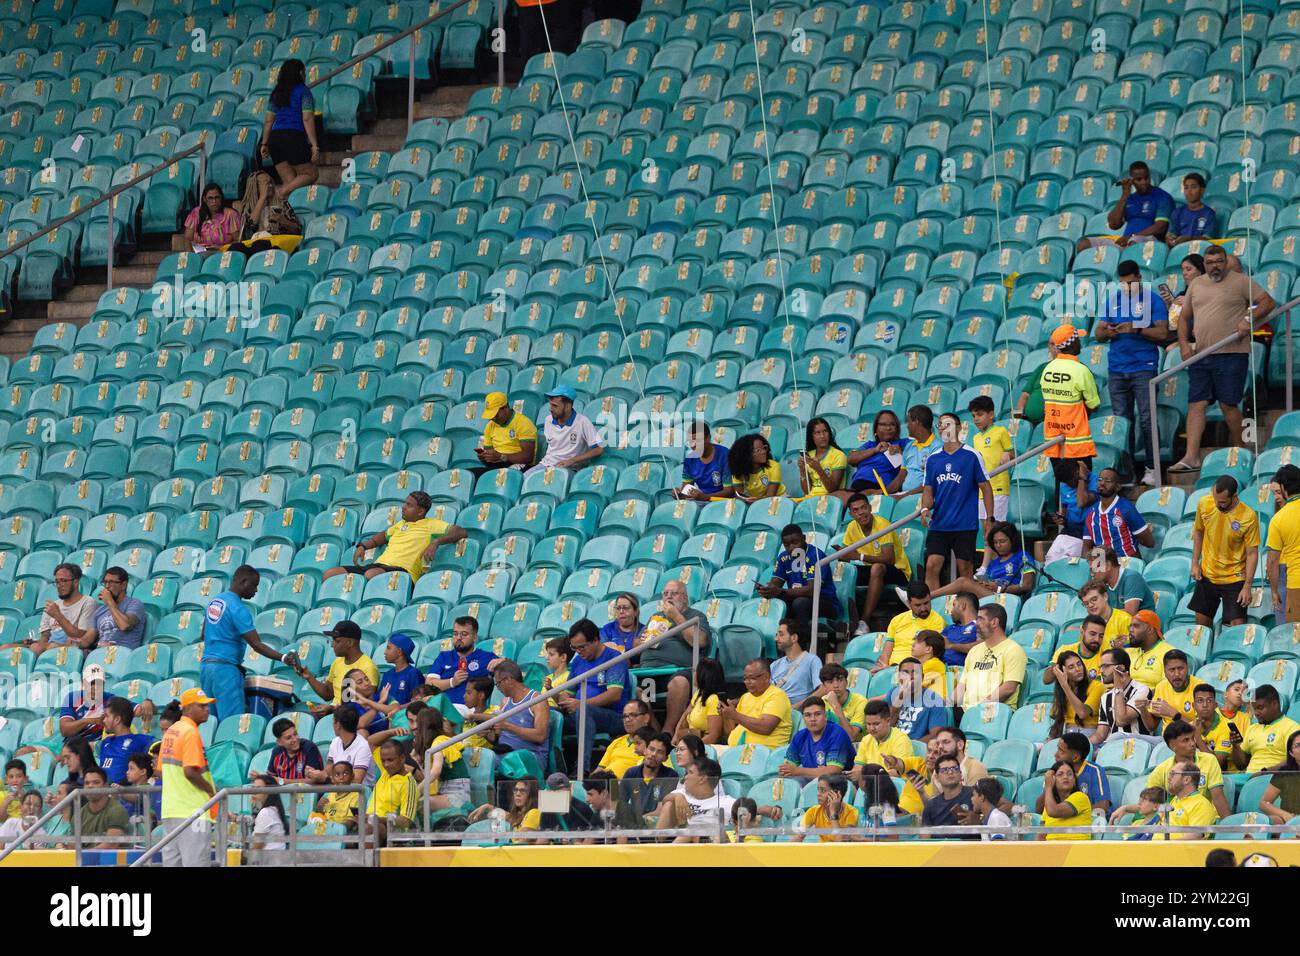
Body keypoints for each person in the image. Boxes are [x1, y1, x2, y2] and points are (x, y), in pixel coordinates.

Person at [1172, 243, 1275, 471]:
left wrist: (1248, 320)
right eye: (1209, 263)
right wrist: (1183, 346)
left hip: (1231, 352)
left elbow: (1268, 302)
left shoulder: (1240, 280)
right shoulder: (1197, 284)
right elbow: (1183, 317)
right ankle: (1191, 457)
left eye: (1218, 262)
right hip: (1201, 354)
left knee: (1228, 404)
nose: (1214, 266)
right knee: (1196, 404)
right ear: (1205, 264)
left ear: (1225, 261)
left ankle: (1242, 450)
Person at [1092, 260, 1169, 485]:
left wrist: (1136, 329)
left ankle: (1152, 468)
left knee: (1147, 419)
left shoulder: (1152, 300)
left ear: (1139, 278)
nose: (1127, 288)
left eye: (1131, 283)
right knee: (1122, 423)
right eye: (1123, 284)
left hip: (1143, 367)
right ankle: (1126, 473)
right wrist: (1109, 331)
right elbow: (1098, 333)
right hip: (1117, 368)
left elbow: (1163, 333)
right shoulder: (1113, 300)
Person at [200, 565, 299, 723]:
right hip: (226, 671)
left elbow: (203, 634)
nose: (256, 590)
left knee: (211, 723)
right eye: (255, 585)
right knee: (231, 723)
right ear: (244, 582)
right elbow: (257, 645)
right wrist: (283, 657)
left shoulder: (215, 602)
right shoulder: (238, 609)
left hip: (206, 668)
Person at [920, 412, 994, 593]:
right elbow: (928, 490)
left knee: (965, 569)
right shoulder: (933, 459)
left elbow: (985, 486)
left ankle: (969, 610)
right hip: (940, 524)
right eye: (941, 425)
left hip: (964, 523)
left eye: (948, 424)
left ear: (959, 428)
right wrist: (924, 508)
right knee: (932, 565)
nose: (944, 428)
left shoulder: (971, 455)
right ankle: (934, 612)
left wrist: (989, 517)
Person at [321, 491, 466, 583]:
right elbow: (382, 536)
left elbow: (460, 531)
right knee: (330, 574)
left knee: (371, 575)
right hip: (378, 566)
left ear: (421, 511)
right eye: (405, 503)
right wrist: (363, 546)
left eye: (409, 505)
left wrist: (436, 542)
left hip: (403, 571)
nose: (403, 507)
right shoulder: (400, 525)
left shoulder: (432, 525)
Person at [1040, 324, 1101, 509]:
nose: (1080, 341)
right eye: (1077, 338)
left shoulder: (1047, 369)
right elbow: (1094, 404)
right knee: (1083, 484)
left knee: (1063, 482)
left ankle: (1064, 523)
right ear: (1071, 344)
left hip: (1054, 439)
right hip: (1077, 440)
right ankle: (1083, 526)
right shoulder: (1081, 370)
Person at [638, 580, 712, 732]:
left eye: (674, 593)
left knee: (679, 682)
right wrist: (644, 640)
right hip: (648, 673)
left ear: (684, 598)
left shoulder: (696, 616)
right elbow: (636, 645)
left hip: (678, 671)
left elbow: (700, 641)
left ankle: (668, 731)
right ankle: (653, 730)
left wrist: (677, 617)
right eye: (665, 594)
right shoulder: (655, 616)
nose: (668, 597)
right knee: (633, 686)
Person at [559, 620, 629, 772]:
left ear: (596, 640)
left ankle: (582, 769)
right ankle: (553, 766)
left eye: (582, 647)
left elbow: (614, 694)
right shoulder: (578, 661)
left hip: (613, 716)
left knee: (585, 711)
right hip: (579, 713)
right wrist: (563, 700)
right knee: (550, 717)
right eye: (574, 648)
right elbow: (568, 691)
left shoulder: (614, 658)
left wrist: (581, 704)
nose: (578, 651)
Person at [1190, 476, 1260, 628]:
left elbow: (1252, 553)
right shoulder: (1204, 503)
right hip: (1207, 574)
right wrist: (1195, 563)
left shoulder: (1248, 516)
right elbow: (1198, 532)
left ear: (1234, 496)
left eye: (1221, 502)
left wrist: (1247, 586)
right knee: (1201, 629)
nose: (1217, 504)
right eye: (1215, 499)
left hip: (1234, 578)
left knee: (1237, 627)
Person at [159, 687, 217, 867]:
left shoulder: (171, 731)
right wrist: (211, 791)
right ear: (189, 708)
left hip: (170, 810)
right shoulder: (190, 732)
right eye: (202, 706)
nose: (207, 709)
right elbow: (190, 771)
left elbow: (160, 769)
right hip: (193, 811)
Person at [838, 492, 911, 631]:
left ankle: (864, 622)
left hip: (897, 571)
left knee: (877, 568)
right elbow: (847, 552)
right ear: (850, 514)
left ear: (870, 508)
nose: (861, 513)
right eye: (856, 510)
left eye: (863, 507)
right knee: (845, 571)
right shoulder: (852, 527)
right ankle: (845, 622)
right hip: (873, 569)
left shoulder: (882, 525)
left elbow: (889, 559)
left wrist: (859, 557)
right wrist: (842, 555)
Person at [756, 523, 840, 629]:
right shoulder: (783, 557)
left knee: (800, 603)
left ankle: (803, 639)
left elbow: (812, 591)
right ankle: (779, 636)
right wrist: (767, 590)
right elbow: (775, 585)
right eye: (787, 545)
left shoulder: (816, 556)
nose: (792, 548)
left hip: (826, 603)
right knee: (779, 602)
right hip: (798, 599)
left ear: (804, 538)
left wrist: (781, 591)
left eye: (795, 542)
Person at [1075, 160, 1173, 250]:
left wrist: (1132, 236)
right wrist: (1125, 195)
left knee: (1133, 242)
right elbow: (1114, 224)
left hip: (1148, 241)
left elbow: (1161, 227)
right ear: (1131, 180)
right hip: (1125, 240)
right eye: (1139, 179)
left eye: (1146, 178)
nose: (1144, 182)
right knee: (1084, 244)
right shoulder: (1130, 198)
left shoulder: (1162, 197)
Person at [1147, 720, 1231, 820]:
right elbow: (1149, 801)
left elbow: (1218, 797)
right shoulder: (1162, 770)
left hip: (1203, 818)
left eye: (1192, 738)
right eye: (1186, 740)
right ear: (1173, 746)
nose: (1192, 744)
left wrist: (1228, 826)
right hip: (1176, 820)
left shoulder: (1209, 760)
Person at [260, 57, 319, 199]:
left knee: (290, 182)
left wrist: (264, 143)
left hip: (275, 139)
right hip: (293, 136)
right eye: (304, 72)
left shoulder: (277, 93)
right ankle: (279, 193)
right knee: (311, 174)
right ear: (300, 73)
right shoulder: (304, 92)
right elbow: (307, 118)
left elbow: (268, 121)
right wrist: (315, 144)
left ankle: (288, 215)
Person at [930, 522, 1036, 599]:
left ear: (1012, 540)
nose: (998, 545)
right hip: (990, 595)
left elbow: (1027, 585)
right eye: (995, 542)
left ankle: (929, 596)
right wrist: (983, 584)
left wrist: (999, 588)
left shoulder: (1023, 556)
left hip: (1007, 598)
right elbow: (987, 582)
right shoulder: (993, 563)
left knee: (963, 582)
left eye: (1002, 541)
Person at [295, 620, 380, 714]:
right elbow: (327, 694)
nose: (332, 645)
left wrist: (333, 709)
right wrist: (309, 677)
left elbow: (366, 704)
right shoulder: (337, 663)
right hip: (337, 713)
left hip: (352, 717)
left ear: (350, 643)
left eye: (337, 641)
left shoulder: (368, 667)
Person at [955, 604, 1027, 709]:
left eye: (980, 619)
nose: (976, 624)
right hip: (968, 713)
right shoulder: (974, 651)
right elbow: (961, 688)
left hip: (995, 712)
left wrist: (979, 707)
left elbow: (1009, 688)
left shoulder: (1013, 650)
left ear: (994, 622)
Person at [422, 616, 500, 709]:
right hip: (442, 707)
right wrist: (452, 682)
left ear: (474, 637)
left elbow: (509, 670)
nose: (458, 638)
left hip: (468, 710)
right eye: (455, 634)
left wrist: (502, 661)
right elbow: (429, 683)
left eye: (464, 634)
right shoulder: (444, 657)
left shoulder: (486, 657)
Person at [653, 757, 734, 843]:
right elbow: (665, 801)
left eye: (690, 773)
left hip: (708, 845)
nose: (685, 777)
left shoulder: (728, 803)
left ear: (702, 779)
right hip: (679, 841)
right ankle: (656, 845)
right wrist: (677, 797)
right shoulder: (680, 794)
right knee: (669, 804)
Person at [529, 385, 605, 474]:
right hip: (546, 464)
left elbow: (599, 449)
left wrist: (573, 460)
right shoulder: (548, 420)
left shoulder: (582, 422)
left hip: (570, 468)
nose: (550, 409)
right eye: (550, 405)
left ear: (568, 406)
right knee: (524, 479)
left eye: (555, 406)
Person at [492, 660, 551, 773]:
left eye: (498, 683)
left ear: (509, 680)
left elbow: (540, 736)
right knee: (479, 759)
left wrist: (510, 727)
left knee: (507, 760)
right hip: (504, 753)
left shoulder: (537, 700)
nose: (498, 688)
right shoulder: (505, 702)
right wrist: (487, 734)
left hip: (529, 756)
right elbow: (500, 735)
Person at [873, 580, 945, 672]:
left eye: (926, 603)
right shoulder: (897, 620)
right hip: (891, 669)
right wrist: (884, 668)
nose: (923, 608)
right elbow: (886, 651)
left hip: (916, 672)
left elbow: (931, 655)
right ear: (909, 603)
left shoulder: (937, 621)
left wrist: (900, 670)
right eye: (918, 605)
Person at [1081, 469, 1154, 559]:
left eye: (1108, 481)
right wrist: (1090, 565)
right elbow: (1086, 546)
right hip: (1102, 564)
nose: (1102, 483)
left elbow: (1150, 542)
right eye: (1100, 479)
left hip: (1126, 562)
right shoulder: (1090, 513)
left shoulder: (1126, 509)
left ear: (1118, 487)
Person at [779, 697, 854, 782]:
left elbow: (833, 771)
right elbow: (787, 768)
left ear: (825, 716)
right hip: (811, 783)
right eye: (808, 715)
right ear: (803, 718)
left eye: (817, 714)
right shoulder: (800, 736)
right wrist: (786, 769)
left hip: (840, 784)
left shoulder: (837, 734)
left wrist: (798, 771)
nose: (813, 719)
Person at [722, 658, 792, 748]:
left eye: (752, 678)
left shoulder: (777, 695)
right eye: (745, 679)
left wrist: (735, 715)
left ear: (766, 677)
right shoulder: (745, 697)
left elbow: (766, 728)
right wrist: (727, 716)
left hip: (765, 753)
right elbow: (730, 731)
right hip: (738, 751)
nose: (747, 682)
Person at [1035, 732, 1112, 814]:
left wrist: (1073, 814)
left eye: (1061, 751)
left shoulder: (1095, 771)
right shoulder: (1055, 772)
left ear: (1075, 758)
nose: (1056, 754)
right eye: (1058, 749)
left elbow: (1103, 806)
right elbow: (1039, 810)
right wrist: (1048, 787)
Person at [29, 563, 97, 654]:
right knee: (8, 647)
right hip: (50, 647)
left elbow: (81, 636)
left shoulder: (87, 602)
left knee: (50, 647)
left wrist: (58, 615)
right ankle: (24, 668)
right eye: (57, 581)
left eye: (63, 581)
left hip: (71, 649)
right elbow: (45, 636)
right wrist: (39, 645)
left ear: (76, 582)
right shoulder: (53, 605)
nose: (59, 585)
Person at [1232, 684, 1300, 774]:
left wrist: (1265, 772)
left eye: (1260, 708)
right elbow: (1241, 765)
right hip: (1248, 778)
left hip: (1274, 778)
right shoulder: (1252, 728)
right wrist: (1236, 746)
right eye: (1254, 709)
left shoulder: (1291, 727)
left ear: (1274, 704)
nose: (1256, 713)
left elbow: (1294, 761)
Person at [1092, 648, 1152, 747]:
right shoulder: (1105, 697)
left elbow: (1121, 720)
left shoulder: (1141, 690)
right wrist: (1081, 744)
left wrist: (1118, 686)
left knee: (1117, 737)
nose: (1101, 671)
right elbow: (1100, 735)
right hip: (1113, 747)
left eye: (1106, 666)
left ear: (1121, 667)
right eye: (1100, 667)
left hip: (1137, 746)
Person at [968, 395, 1013, 521]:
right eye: (973, 416)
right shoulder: (976, 438)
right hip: (982, 489)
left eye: (980, 415)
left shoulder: (1000, 431)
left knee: (995, 529)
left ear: (991, 414)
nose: (976, 419)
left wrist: (1007, 454)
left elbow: (1013, 454)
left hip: (998, 488)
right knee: (986, 531)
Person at [1045, 457, 1098, 562]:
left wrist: (1082, 478)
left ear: (1078, 471)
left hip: (1088, 530)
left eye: (1070, 481)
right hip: (1069, 530)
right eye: (1066, 482)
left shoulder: (1095, 480)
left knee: (1067, 562)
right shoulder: (1064, 485)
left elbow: (1081, 502)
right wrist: (1062, 519)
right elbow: (1065, 510)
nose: (1068, 485)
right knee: (1050, 560)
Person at [850, 699, 913, 786]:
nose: (872, 728)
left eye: (876, 724)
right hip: (870, 786)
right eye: (868, 724)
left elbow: (897, 773)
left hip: (895, 788)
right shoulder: (866, 740)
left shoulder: (901, 739)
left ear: (888, 721)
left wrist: (868, 777)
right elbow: (858, 768)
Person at [367, 740, 418, 845]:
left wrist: (379, 819)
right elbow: (372, 741)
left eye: (390, 760)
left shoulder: (408, 783)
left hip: (390, 831)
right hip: (370, 822)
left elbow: (406, 821)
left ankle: (367, 861)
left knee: (368, 829)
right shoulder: (385, 772)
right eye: (383, 760)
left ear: (402, 758)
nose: (386, 764)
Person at [1154, 760, 1220, 840]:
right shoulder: (1175, 800)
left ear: (1186, 780)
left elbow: (1194, 837)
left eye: (1173, 774)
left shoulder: (1201, 804)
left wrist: (1166, 847)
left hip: (1173, 850)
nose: (1168, 778)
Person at [846, 409, 907, 496]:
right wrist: (875, 450)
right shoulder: (869, 445)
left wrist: (900, 451)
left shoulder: (903, 443)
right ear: (876, 429)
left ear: (897, 428)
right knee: (836, 497)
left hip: (879, 488)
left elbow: (917, 456)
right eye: (883, 424)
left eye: (892, 425)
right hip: (857, 486)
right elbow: (850, 459)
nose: (888, 428)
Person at [1192, 681, 1250, 771]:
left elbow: (1216, 764)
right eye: (1237, 689)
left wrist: (1197, 736)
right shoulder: (1190, 726)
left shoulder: (1236, 722)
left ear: (1215, 705)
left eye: (1209, 701)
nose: (1205, 705)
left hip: (1229, 772)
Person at [1267, 464, 1300, 623]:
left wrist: (1274, 591)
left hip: (1296, 583)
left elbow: (1273, 561)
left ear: (1284, 487)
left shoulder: (1278, 519)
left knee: (1296, 638)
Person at [475, 391, 537, 474]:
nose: (493, 418)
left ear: (506, 407)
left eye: (496, 415)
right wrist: (485, 457)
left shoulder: (523, 423)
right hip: (498, 465)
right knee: (468, 476)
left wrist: (502, 457)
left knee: (498, 475)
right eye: (491, 416)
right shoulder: (490, 426)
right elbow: (490, 458)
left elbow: (528, 457)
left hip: (519, 465)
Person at [96, 697, 154, 785]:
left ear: (117, 719)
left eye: (107, 716)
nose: (103, 720)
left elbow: (163, 746)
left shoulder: (141, 740)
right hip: (102, 794)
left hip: (125, 795)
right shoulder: (105, 742)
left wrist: (148, 702)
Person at [87, 566, 147, 650]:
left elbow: (125, 625)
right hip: (99, 654)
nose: (107, 586)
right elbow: (88, 639)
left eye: (111, 582)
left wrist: (110, 601)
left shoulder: (134, 604)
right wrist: (75, 642)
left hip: (122, 655)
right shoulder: (99, 611)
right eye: (105, 582)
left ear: (123, 585)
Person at [308, 707, 371, 786]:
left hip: (359, 792)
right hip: (338, 788)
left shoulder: (363, 746)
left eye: (333, 721)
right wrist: (316, 773)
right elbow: (329, 768)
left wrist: (326, 778)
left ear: (338, 725)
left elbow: (357, 781)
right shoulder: (335, 741)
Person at [1047, 650, 1103, 737]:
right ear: (1063, 672)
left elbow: (1082, 713)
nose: (1078, 669)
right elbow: (1058, 721)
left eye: (1079, 664)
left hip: (1088, 735)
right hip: (1067, 734)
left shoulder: (1097, 686)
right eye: (1071, 667)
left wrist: (1065, 686)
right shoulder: (1062, 691)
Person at [890, 658, 948, 741]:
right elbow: (884, 726)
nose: (910, 677)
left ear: (922, 677)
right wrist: (900, 698)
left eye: (915, 672)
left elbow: (936, 735)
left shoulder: (935, 700)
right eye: (905, 672)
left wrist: (911, 747)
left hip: (916, 750)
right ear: (899, 677)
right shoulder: (893, 693)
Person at [674, 420, 732, 501]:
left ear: (708, 438)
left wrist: (706, 497)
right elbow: (686, 490)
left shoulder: (725, 456)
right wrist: (679, 494)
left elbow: (729, 491)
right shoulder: (689, 460)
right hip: (702, 501)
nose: (694, 445)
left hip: (723, 502)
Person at [770, 619, 822, 708]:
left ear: (794, 638)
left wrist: (797, 706)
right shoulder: (774, 665)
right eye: (776, 635)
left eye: (781, 634)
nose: (776, 638)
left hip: (797, 713)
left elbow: (823, 689)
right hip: (774, 709)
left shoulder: (812, 660)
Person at [673, 658, 726, 745]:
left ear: (704, 675)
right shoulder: (698, 694)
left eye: (696, 671)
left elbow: (714, 736)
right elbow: (685, 714)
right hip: (689, 743)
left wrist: (692, 749)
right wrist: (676, 736)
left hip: (703, 748)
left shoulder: (713, 700)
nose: (694, 674)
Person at [596, 699, 653, 779]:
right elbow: (600, 769)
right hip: (606, 786)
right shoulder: (616, 742)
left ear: (646, 718)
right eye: (625, 716)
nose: (627, 720)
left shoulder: (654, 743)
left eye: (633, 715)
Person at [1142, 650, 1196, 733]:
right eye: (1172, 670)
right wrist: (1143, 709)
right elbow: (1152, 727)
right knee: (1119, 736)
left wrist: (1175, 715)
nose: (1177, 674)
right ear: (1165, 672)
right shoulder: (1161, 687)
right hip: (1165, 741)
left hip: (1189, 740)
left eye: (1180, 668)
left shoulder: (1200, 689)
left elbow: (1202, 731)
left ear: (1187, 668)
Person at [795, 774, 860, 842]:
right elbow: (798, 838)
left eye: (823, 790)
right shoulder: (813, 811)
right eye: (818, 790)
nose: (818, 794)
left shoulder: (851, 812)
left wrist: (833, 813)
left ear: (836, 794)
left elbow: (841, 842)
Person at [1157, 252, 1207, 338]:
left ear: (1200, 271)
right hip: (1179, 334)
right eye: (1183, 269)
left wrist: (1191, 303)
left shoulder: (1209, 292)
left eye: (1188, 269)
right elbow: (1173, 322)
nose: (1184, 273)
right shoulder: (1181, 294)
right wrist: (1170, 304)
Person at [922, 755, 976, 834]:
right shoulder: (931, 806)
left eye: (955, 768)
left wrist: (978, 821)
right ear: (937, 777)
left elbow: (997, 813)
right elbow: (925, 839)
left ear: (960, 774)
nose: (950, 772)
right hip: (940, 845)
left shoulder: (975, 794)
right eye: (944, 770)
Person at [796, 416, 848, 500]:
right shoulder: (809, 455)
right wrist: (802, 470)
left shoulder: (838, 455)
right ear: (811, 436)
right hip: (810, 498)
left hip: (828, 499)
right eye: (817, 433)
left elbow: (833, 489)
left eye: (825, 431)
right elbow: (807, 491)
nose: (822, 436)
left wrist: (818, 469)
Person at [814, 663, 868, 742]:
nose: (836, 685)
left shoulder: (861, 702)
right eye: (830, 682)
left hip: (855, 748)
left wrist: (836, 705)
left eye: (840, 680)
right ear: (824, 686)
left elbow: (851, 737)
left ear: (846, 682)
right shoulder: (821, 703)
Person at [261, 717, 324, 784]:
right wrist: (260, 778)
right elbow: (271, 780)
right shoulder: (277, 752)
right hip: (282, 793)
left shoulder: (309, 747)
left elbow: (313, 781)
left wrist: (282, 781)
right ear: (279, 742)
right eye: (289, 738)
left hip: (306, 793)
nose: (295, 739)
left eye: (295, 734)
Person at [78, 767, 129, 850]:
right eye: (86, 783)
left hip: (110, 861)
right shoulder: (79, 814)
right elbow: (72, 846)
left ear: (105, 786)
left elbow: (111, 845)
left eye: (96, 782)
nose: (90, 786)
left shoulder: (117, 811)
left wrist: (82, 856)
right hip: (82, 860)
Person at [1040, 761, 1092, 841]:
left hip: (1076, 849)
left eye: (1069, 774)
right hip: (1051, 849)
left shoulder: (1081, 797)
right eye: (1060, 774)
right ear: (1053, 780)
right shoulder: (1050, 803)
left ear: (1074, 780)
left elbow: (1053, 812)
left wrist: (1048, 786)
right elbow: (1041, 836)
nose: (1065, 777)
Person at [727, 432, 785, 503]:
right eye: (758, 450)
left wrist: (756, 501)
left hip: (778, 499)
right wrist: (745, 499)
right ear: (746, 454)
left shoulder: (774, 466)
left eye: (764, 448)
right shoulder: (738, 470)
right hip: (753, 501)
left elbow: (770, 496)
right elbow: (739, 495)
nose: (763, 452)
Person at [1165, 172, 1219, 248]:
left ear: (1202, 190)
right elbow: (1171, 235)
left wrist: (1188, 239)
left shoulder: (1209, 214)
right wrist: (1170, 240)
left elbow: (1208, 240)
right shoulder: (1177, 212)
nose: (1189, 191)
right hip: (1179, 250)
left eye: (1193, 187)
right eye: (1186, 187)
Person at [183, 183, 242, 249]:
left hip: (223, 253)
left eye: (217, 197)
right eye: (210, 198)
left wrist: (221, 247)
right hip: (200, 254)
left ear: (221, 198)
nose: (214, 201)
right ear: (204, 199)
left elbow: (238, 241)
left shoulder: (230, 215)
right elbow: (187, 239)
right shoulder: (196, 213)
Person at [1099, 547, 1155, 615]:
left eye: (1094, 569)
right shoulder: (1102, 582)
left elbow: (1130, 613)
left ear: (1107, 566)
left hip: (1143, 623)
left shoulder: (1132, 577)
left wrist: (1101, 614)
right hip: (1121, 623)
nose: (1092, 574)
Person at [1259, 729, 1300, 823]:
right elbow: (1264, 803)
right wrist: (1285, 815)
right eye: (1298, 745)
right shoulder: (1284, 774)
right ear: (1291, 753)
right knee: (1273, 820)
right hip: (1291, 821)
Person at [898, 404, 939, 496]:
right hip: (905, 495)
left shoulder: (937, 447)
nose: (907, 426)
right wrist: (882, 492)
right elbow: (900, 478)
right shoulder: (909, 446)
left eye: (908, 422)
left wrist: (904, 496)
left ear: (916, 422)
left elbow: (931, 482)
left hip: (924, 496)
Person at [376, 633, 423, 710]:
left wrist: (397, 709)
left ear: (399, 652)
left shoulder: (414, 674)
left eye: (388, 648)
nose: (385, 652)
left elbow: (418, 702)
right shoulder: (387, 675)